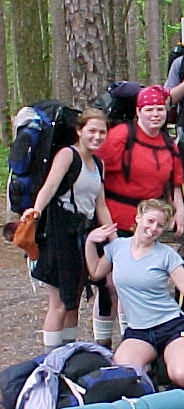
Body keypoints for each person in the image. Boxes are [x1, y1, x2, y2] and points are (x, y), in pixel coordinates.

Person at [84, 199, 184, 388]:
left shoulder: (166, 254)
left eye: (160, 226)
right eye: (150, 221)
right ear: (138, 217)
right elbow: (96, 272)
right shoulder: (117, 247)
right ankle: (154, 362)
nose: (153, 228)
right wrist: (89, 242)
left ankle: (168, 359)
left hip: (171, 325)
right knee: (124, 375)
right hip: (139, 330)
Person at [92, 85, 184, 349]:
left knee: (135, 284)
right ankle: (102, 343)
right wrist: (105, 223)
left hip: (148, 222)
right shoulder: (122, 135)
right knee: (110, 284)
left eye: (160, 109)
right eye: (149, 109)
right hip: (114, 218)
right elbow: (96, 174)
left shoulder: (168, 143)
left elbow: (175, 182)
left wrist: (179, 210)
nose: (156, 114)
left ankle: (131, 339)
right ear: (138, 112)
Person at [21, 108, 113, 353]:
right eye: (91, 131)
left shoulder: (98, 164)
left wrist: (114, 240)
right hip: (58, 233)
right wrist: (36, 211)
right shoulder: (67, 155)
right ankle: (50, 359)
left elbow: (100, 204)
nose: (97, 136)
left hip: (82, 235)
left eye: (102, 132)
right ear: (79, 131)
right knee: (59, 301)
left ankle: (68, 354)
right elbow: (50, 186)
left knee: (72, 301)